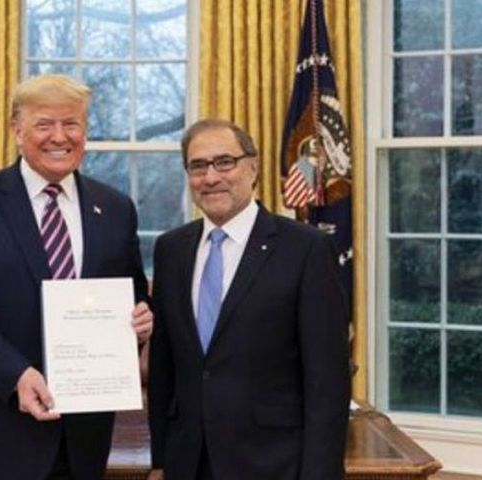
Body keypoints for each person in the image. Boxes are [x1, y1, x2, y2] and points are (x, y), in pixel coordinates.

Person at [0, 74, 153, 480]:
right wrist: (16, 374)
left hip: (81, 441)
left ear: (85, 129)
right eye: (44, 124)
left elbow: (131, 298)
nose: (59, 137)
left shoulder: (115, 208)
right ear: (17, 130)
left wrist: (141, 323)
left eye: (71, 124)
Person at [147, 119, 350, 480]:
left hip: (273, 463)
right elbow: (165, 367)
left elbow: (327, 381)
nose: (211, 177)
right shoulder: (171, 249)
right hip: (187, 461)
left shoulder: (306, 249)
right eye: (198, 166)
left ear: (252, 167)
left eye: (225, 162)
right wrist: (161, 460)